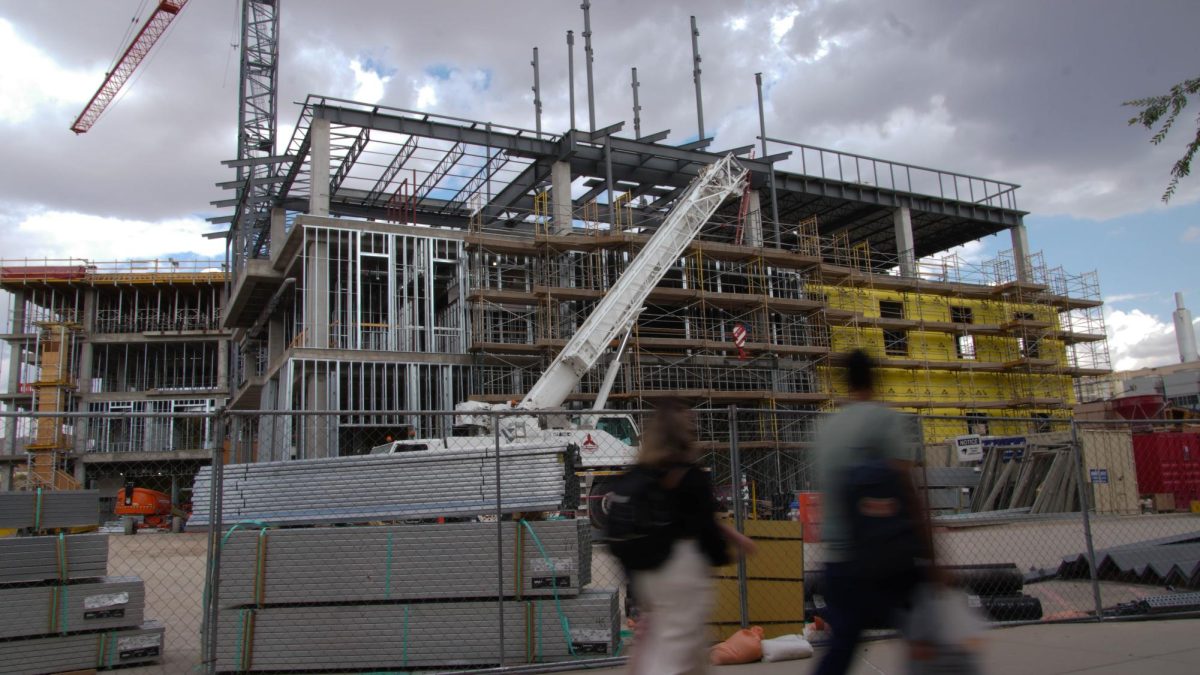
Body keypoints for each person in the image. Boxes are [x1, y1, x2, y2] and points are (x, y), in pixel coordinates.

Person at [813, 349, 932, 675]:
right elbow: (907, 488)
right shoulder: (884, 420)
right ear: (875, 378)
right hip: (887, 561)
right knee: (925, 639)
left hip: (838, 560)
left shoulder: (826, 430)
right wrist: (932, 552)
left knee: (841, 649)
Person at [627, 399, 756, 675]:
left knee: (682, 650)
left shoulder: (641, 474)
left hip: (649, 571)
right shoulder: (690, 475)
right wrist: (725, 552)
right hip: (682, 570)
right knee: (676, 653)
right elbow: (703, 524)